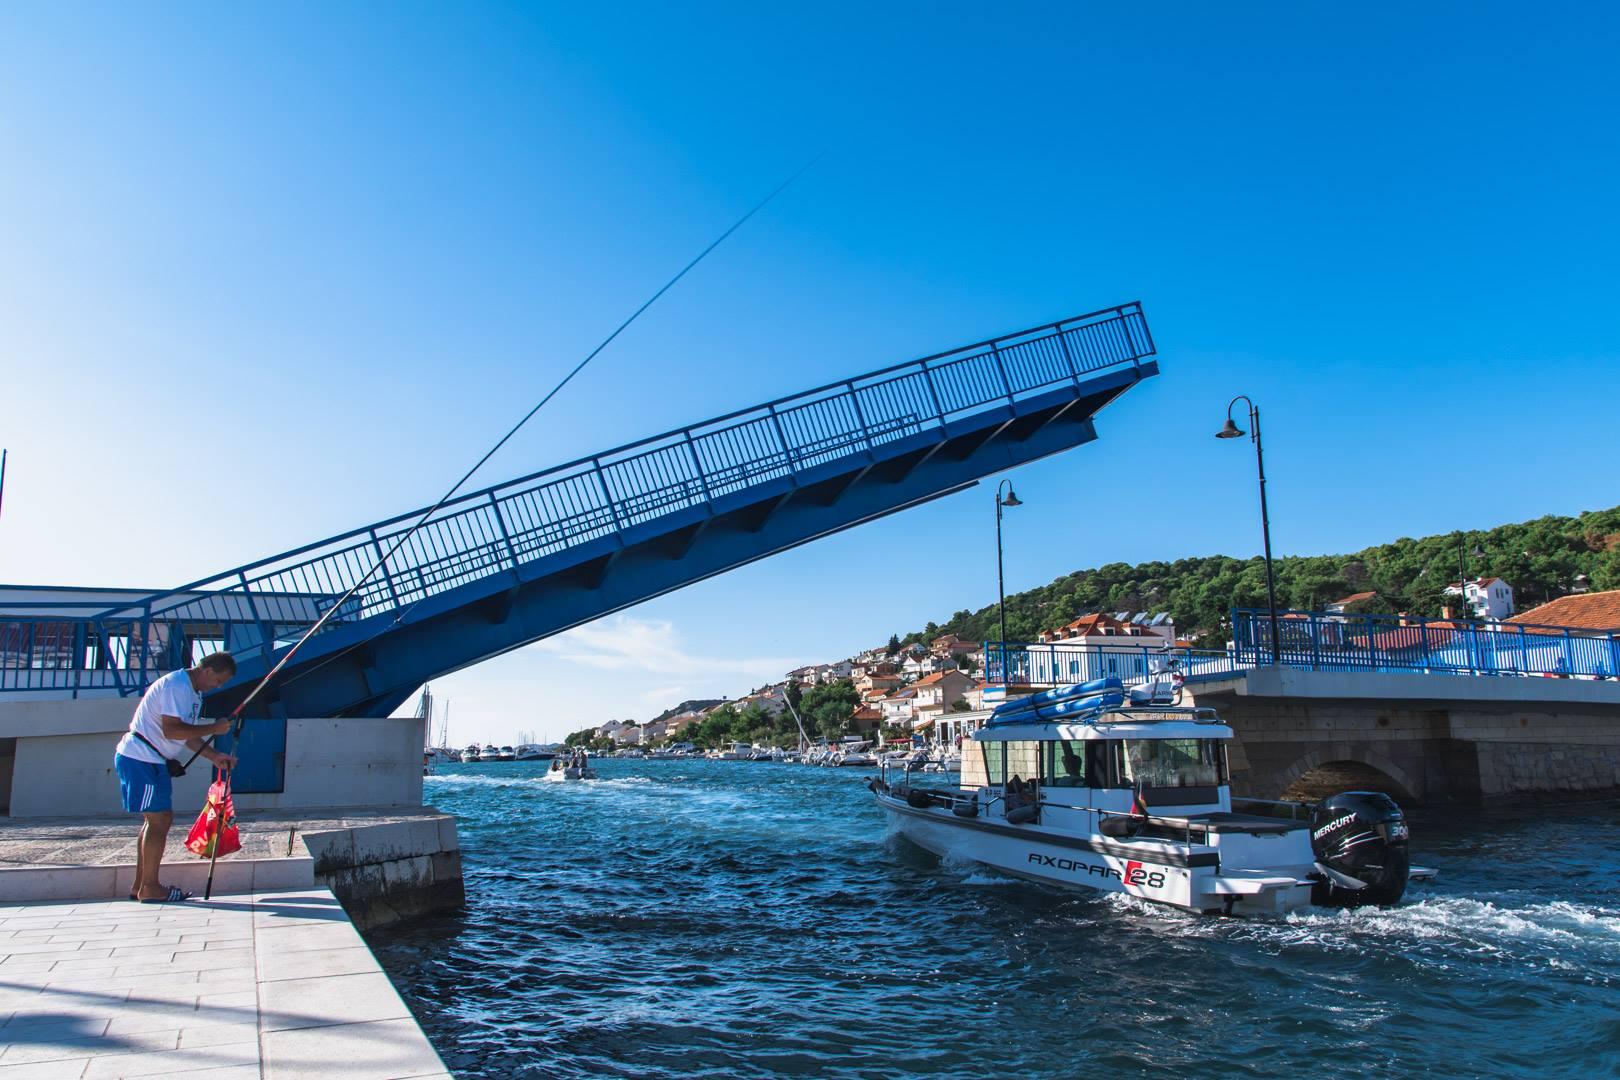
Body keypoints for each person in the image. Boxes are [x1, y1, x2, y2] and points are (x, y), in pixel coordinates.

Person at [113, 653, 239, 902]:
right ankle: (150, 888)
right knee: (159, 819)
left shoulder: (192, 692)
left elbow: (186, 735)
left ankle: (141, 885)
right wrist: (214, 728)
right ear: (208, 670)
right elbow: (172, 730)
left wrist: (214, 756)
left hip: (153, 761)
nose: (218, 687)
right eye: (218, 681)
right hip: (141, 759)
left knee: (156, 820)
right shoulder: (177, 686)